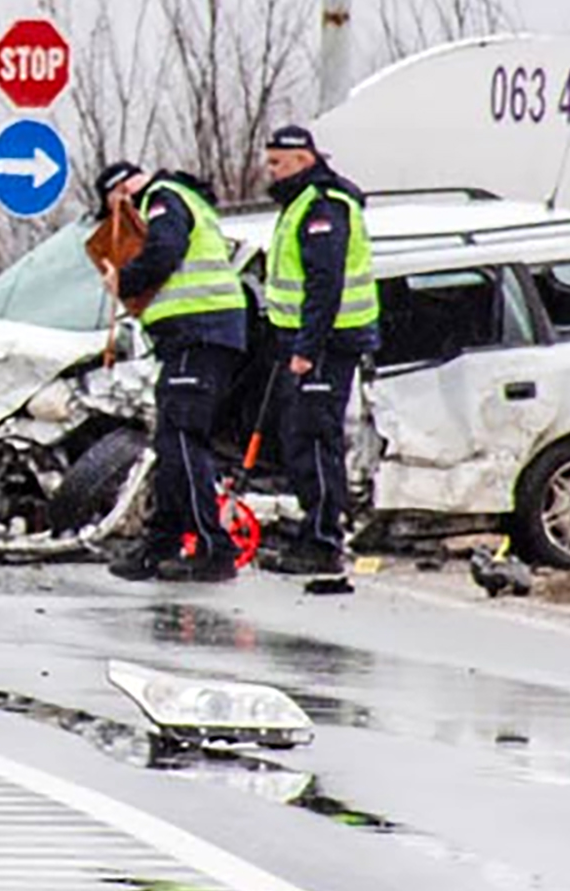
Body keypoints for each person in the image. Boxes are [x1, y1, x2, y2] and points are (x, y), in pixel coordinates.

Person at [92, 159, 249, 583]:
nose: (118, 221)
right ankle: (161, 545)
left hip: (200, 332)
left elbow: (164, 251)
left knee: (182, 439)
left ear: (121, 191)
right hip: (196, 336)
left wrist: (122, 282)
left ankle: (213, 549)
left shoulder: (163, 200)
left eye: (113, 209)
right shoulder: (183, 198)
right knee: (172, 441)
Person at [258, 125, 378, 577]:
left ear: (304, 160)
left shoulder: (323, 205)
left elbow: (324, 284)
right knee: (300, 436)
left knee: (315, 436)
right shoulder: (300, 204)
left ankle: (325, 539)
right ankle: (314, 530)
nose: (270, 171)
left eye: (277, 163)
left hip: (329, 343)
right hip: (307, 341)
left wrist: (306, 347)